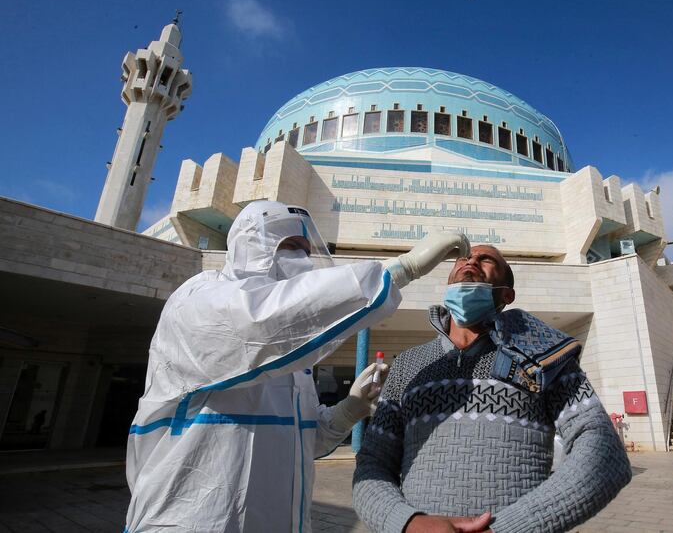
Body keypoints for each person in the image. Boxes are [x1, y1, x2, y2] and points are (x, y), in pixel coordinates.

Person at [124, 201, 469, 532]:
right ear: (249, 247)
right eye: (290, 246)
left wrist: (349, 410)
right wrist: (401, 270)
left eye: (306, 250)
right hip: (191, 522)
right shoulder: (199, 299)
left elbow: (306, 442)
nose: (302, 259)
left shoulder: (291, 361)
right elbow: (260, 322)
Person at [352, 245, 631, 533]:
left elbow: (604, 450)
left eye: (486, 260)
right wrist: (407, 523)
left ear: (506, 294)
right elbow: (372, 463)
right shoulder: (409, 365)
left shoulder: (543, 357)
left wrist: (510, 528)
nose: (471, 261)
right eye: (464, 258)